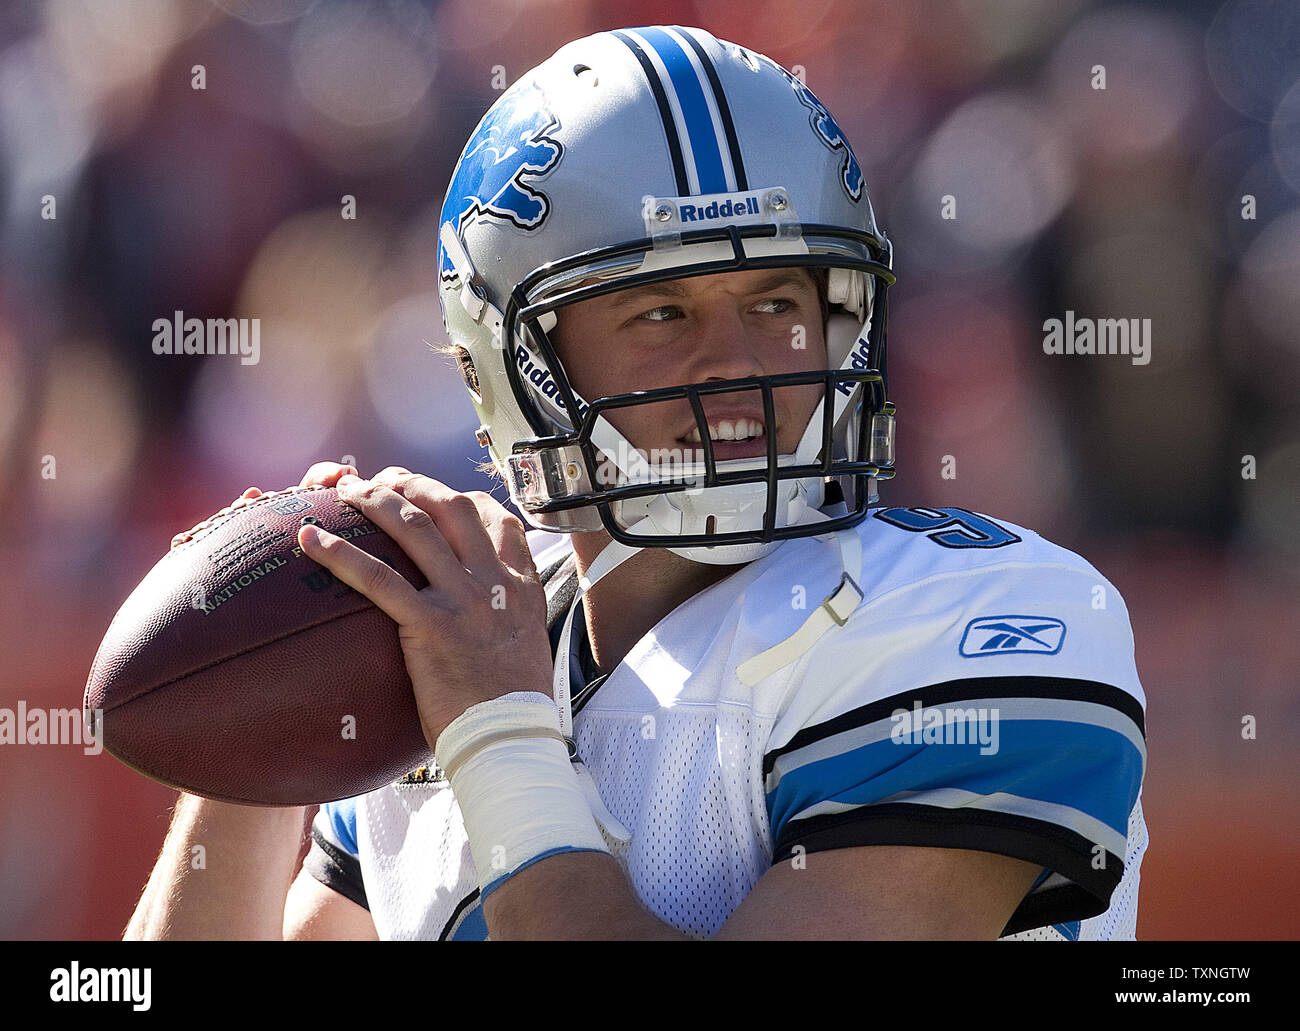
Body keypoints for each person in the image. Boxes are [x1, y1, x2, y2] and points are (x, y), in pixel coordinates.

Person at [128, 26, 1146, 941]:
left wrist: (498, 733)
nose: (737, 361)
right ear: (513, 367)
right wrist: (261, 728)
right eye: (659, 313)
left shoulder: (977, 614)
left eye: (775, 298)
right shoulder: (446, 626)